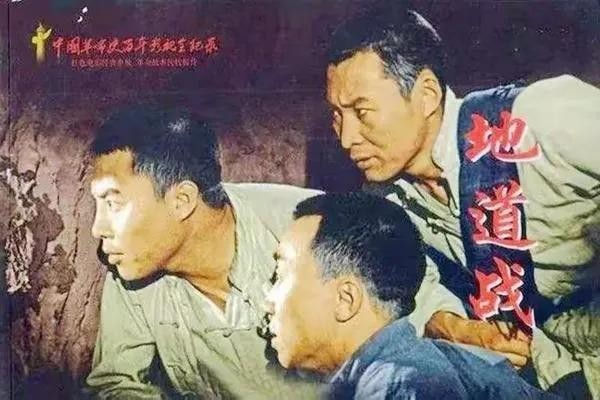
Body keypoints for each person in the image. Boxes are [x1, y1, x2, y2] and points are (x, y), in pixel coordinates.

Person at [324, 5, 600, 399]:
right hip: (554, 368)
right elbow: (411, 287)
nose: (346, 137)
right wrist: (448, 323)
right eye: (336, 115)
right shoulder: (385, 203)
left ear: (427, 95)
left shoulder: (539, 119)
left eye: (362, 111)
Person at [84, 104, 323, 399]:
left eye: (113, 204)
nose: (98, 229)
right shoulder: (132, 264)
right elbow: (115, 385)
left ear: (182, 200)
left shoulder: (310, 226)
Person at [265, 192, 559, 399]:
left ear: (346, 300)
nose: (268, 301)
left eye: (280, 275)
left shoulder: (402, 382)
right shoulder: (403, 366)